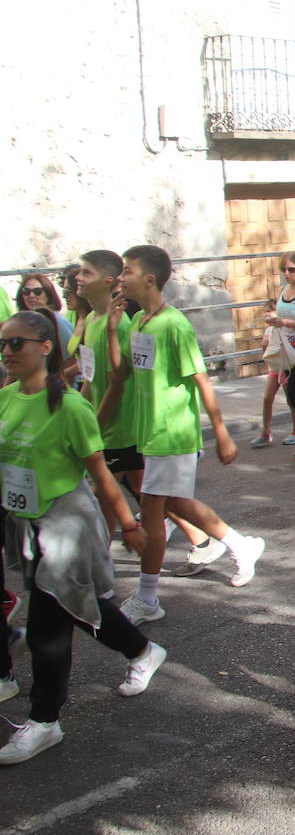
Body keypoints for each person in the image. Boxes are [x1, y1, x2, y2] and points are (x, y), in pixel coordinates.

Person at [0, 310, 167, 765]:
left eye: (18, 343)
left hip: (66, 525)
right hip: (26, 522)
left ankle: (45, 720)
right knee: (79, 608)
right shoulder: (7, 397)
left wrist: (130, 526)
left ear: (46, 346)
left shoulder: (70, 406)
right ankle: (143, 650)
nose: (8, 352)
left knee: (48, 627)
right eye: (3, 344)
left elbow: (101, 474)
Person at [112, 245, 264, 624]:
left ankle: (148, 597)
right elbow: (124, 374)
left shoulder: (174, 325)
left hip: (173, 433)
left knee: (151, 510)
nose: (121, 278)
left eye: (127, 271)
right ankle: (240, 544)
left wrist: (222, 433)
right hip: (149, 433)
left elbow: (201, 379)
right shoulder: (139, 322)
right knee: (174, 505)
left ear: (149, 279)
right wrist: (112, 328)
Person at [252, 252, 295, 448]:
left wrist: (285, 321)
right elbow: (280, 318)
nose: (287, 273)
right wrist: (273, 321)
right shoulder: (283, 290)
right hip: (285, 351)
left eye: (291, 269)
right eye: (284, 270)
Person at [15, 274, 74, 350]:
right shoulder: (21, 321)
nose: (31, 295)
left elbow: (69, 354)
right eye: (26, 291)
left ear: (48, 294)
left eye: (37, 291)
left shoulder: (57, 321)